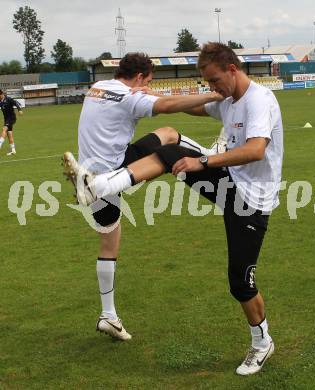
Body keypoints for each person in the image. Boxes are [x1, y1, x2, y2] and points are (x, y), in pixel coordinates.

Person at [65, 42, 283, 375]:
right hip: (227, 182)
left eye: (214, 81)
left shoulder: (258, 100)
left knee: (240, 282)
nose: (213, 88)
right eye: (208, 83)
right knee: (170, 150)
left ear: (232, 69)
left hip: (251, 199)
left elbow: (255, 150)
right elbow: (197, 109)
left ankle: (261, 342)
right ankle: (102, 186)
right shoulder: (227, 100)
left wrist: (204, 160)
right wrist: (199, 99)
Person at [63, 52, 224, 342]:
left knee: (109, 240)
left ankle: (108, 315)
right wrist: (211, 94)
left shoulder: (97, 88)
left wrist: (146, 91)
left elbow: (142, 99)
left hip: (90, 170)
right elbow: (167, 105)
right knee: (169, 136)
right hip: (116, 169)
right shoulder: (128, 97)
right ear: (139, 77)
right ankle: (212, 157)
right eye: (147, 81)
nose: (147, 85)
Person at [0, 89, 23, 155]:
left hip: (12, 118)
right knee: (9, 134)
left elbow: (16, 103)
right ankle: (13, 150)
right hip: (6, 119)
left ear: (2, 94)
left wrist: (19, 110)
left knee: (4, 129)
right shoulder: (0, 101)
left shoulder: (9, 99)